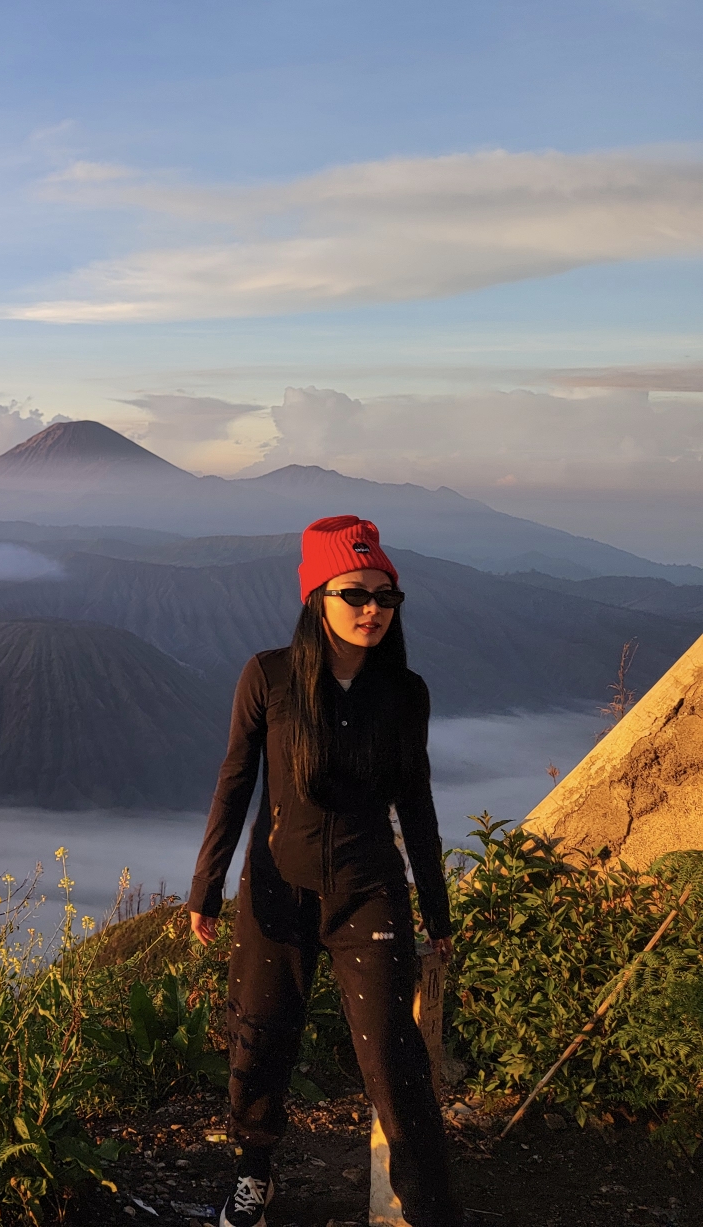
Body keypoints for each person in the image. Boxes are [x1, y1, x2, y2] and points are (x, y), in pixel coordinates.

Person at [186, 515, 460, 1227]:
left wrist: (437, 912)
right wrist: (206, 889)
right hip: (278, 886)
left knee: (394, 1061)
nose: (372, 609)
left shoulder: (405, 693)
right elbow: (236, 783)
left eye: (385, 596)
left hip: (369, 890)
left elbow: (418, 804)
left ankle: (429, 1206)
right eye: (354, 594)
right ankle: (254, 1177)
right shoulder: (269, 677)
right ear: (317, 597)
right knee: (262, 1034)